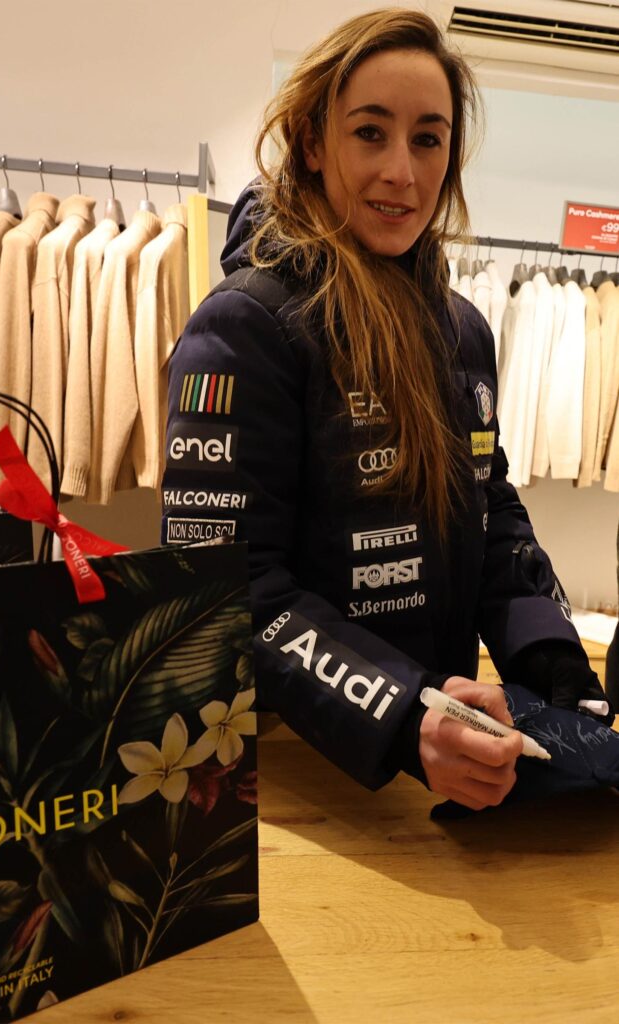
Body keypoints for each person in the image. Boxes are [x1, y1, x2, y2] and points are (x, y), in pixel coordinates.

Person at [160, 8, 613, 811]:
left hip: (448, 762)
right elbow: (225, 588)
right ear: (311, 142)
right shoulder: (246, 325)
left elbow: (488, 509)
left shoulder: (461, 330)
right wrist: (404, 717)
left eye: (427, 139)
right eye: (370, 133)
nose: (401, 171)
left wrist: (550, 658)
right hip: (302, 777)